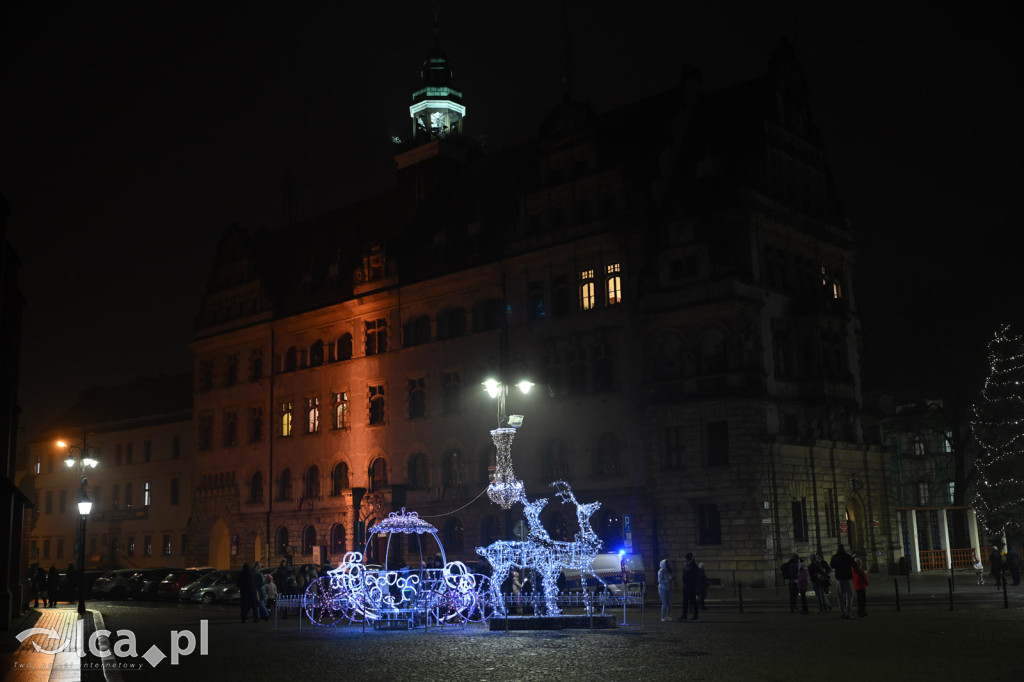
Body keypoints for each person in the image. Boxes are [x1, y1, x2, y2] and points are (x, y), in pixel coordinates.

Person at [829, 544, 856, 619]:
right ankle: (848, 612)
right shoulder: (848, 556)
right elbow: (854, 564)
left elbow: (832, 565)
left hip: (839, 579)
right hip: (847, 578)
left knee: (840, 596)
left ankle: (842, 612)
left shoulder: (835, 557)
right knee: (849, 596)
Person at [679, 553, 700, 621]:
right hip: (686, 586)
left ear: (688, 559)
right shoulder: (688, 565)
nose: (684, 559)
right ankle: (684, 615)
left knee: (693, 601)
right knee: (685, 601)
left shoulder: (693, 566)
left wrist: (692, 586)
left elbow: (694, 577)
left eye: (685, 558)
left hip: (690, 587)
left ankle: (695, 615)